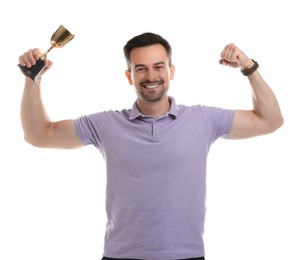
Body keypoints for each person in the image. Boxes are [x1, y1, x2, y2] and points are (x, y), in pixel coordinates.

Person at [19, 32, 284, 260]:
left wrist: (248, 66)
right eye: (140, 68)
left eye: (159, 66)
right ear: (129, 76)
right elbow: (38, 135)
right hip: (120, 255)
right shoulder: (106, 124)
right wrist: (33, 79)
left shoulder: (203, 119)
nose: (150, 76)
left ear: (171, 71)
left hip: (186, 255)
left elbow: (270, 120)